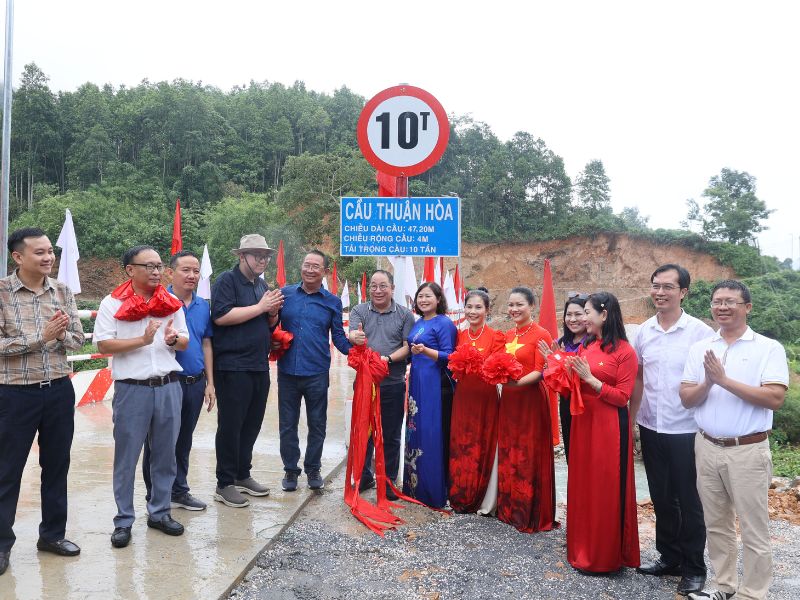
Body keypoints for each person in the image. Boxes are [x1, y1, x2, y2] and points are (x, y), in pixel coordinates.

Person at [681, 280, 789, 600]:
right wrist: (708, 383)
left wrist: (723, 380)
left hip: (748, 449)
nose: (722, 307)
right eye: (717, 301)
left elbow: (774, 398)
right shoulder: (701, 348)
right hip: (707, 445)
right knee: (716, 523)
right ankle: (724, 586)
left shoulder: (767, 348)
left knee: (754, 527)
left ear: (747, 307)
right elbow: (687, 397)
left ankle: (753, 593)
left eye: (730, 301)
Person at [0, 228, 85, 575]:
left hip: (58, 391)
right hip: (15, 395)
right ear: (18, 257)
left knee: (57, 466)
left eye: (50, 251)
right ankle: (2, 545)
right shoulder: (2, 293)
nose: (49, 257)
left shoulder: (62, 291)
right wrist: (40, 338)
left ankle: (52, 535)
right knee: (7, 471)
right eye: (40, 252)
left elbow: (78, 339)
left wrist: (62, 334)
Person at [95, 245, 189, 548]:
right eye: (148, 266)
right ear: (130, 270)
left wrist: (176, 339)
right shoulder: (112, 303)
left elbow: (185, 342)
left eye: (159, 266)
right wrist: (142, 340)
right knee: (127, 458)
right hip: (132, 390)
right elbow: (105, 345)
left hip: (169, 386)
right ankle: (123, 520)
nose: (156, 272)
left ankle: (160, 512)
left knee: (165, 456)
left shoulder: (171, 302)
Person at [631, 264, 714, 595]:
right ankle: (669, 556)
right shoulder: (645, 331)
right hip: (651, 426)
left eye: (668, 286)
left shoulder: (699, 333)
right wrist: (632, 418)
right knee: (661, 497)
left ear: (684, 292)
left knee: (689, 500)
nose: (660, 292)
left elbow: (710, 382)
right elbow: (638, 377)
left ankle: (695, 566)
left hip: (686, 430)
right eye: (655, 286)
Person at [543, 291, 640, 573]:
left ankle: (605, 556)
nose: (583, 318)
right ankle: (581, 548)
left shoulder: (624, 351)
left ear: (604, 314)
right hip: (584, 422)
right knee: (583, 484)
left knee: (605, 488)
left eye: (587, 312)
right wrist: (554, 363)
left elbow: (623, 397)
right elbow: (571, 386)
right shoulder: (587, 346)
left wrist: (591, 380)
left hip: (610, 427)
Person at [211, 234, 283, 508]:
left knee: (252, 423)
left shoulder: (261, 285)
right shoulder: (227, 282)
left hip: (258, 364)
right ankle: (224, 482)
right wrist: (261, 307)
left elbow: (266, 323)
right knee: (231, 424)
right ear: (241, 256)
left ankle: (243, 473)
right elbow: (221, 316)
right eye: (256, 255)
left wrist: (273, 312)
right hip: (232, 366)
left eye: (265, 256)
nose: (262, 260)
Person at [142, 251, 216, 511]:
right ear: (170, 273)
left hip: (195, 382)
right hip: (167, 382)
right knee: (158, 442)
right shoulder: (158, 302)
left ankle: (179, 489)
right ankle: (154, 493)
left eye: (196, 271)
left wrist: (210, 382)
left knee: (184, 439)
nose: (192, 275)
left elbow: (206, 342)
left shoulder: (203, 305)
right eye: (186, 270)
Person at [277, 250, 351, 492]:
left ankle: (313, 468)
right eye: (306, 265)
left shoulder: (332, 302)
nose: (310, 270)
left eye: (315, 266)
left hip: (317, 372)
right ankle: (290, 470)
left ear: (325, 271)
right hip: (287, 371)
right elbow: (270, 324)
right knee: (287, 424)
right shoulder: (285, 295)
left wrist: (358, 347)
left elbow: (339, 337)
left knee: (317, 423)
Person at [348, 270, 414, 501]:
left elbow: (407, 346)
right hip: (365, 383)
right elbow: (354, 335)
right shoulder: (359, 310)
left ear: (392, 288)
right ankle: (364, 476)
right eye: (374, 286)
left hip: (393, 382)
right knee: (364, 431)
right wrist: (354, 338)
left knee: (391, 434)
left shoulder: (405, 314)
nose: (377, 290)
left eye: (383, 286)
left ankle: (386, 481)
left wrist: (386, 359)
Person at [498, 286, 557, 533]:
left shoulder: (542, 334)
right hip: (509, 400)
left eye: (519, 304)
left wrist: (517, 383)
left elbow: (541, 369)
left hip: (530, 400)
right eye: (511, 305)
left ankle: (529, 512)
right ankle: (509, 507)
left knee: (529, 452)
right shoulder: (508, 335)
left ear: (531, 305)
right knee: (510, 450)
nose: (514, 309)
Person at [448, 288, 505, 513]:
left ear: (487, 310)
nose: (473, 311)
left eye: (478, 307)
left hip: (486, 398)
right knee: (461, 443)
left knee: (483, 442)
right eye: (469, 307)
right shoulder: (458, 335)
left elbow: (497, 369)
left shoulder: (496, 337)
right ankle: (461, 492)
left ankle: (483, 497)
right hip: (463, 398)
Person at [403, 282, 457, 508]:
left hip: (436, 386)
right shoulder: (418, 323)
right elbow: (409, 352)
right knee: (417, 432)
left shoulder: (444, 323)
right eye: (420, 297)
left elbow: (451, 356)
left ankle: (435, 491)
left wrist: (425, 351)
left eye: (428, 296)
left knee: (434, 435)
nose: (423, 300)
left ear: (438, 299)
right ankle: (416, 487)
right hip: (417, 385)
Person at [556, 293, 588, 462]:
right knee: (571, 452)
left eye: (578, 314)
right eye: (569, 314)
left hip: (587, 404)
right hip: (567, 402)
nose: (572, 319)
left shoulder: (595, 342)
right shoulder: (561, 342)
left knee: (586, 453)